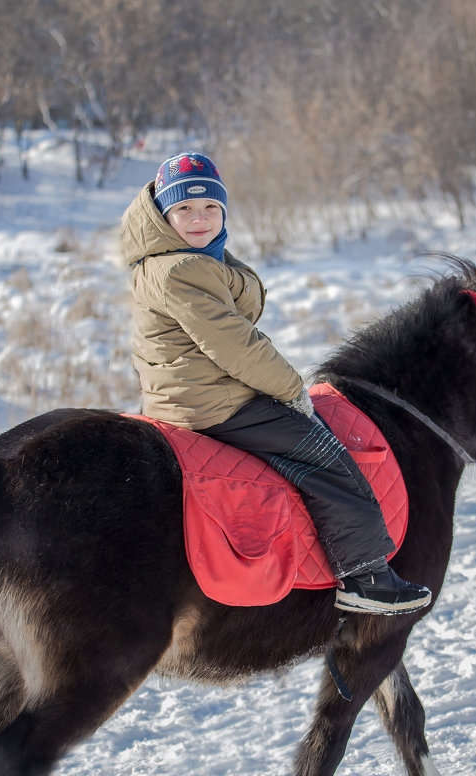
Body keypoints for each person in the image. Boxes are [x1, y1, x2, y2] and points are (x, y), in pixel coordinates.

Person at [120, 151, 432, 615]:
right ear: (164, 215)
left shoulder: (180, 260)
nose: (199, 218)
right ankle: (365, 576)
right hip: (211, 402)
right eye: (184, 209)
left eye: (210, 208)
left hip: (195, 390)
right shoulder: (180, 269)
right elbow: (236, 346)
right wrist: (290, 390)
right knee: (326, 455)